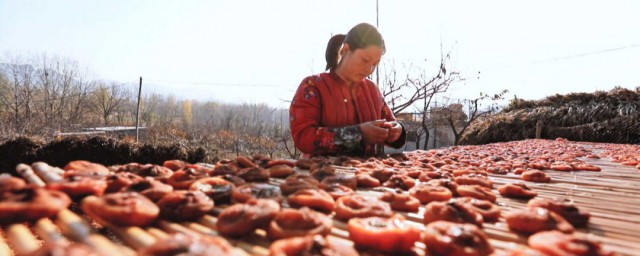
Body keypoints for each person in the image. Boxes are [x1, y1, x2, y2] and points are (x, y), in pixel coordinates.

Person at [289, 23, 406, 157]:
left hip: (366, 174)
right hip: (321, 174)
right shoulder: (313, 86)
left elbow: (391, 123)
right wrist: (358, 134)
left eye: (375, 64)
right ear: (345, 50)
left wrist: (396, 132)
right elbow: (303, 137)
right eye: (365, 60)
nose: (369, 70)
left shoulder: (372, 90)